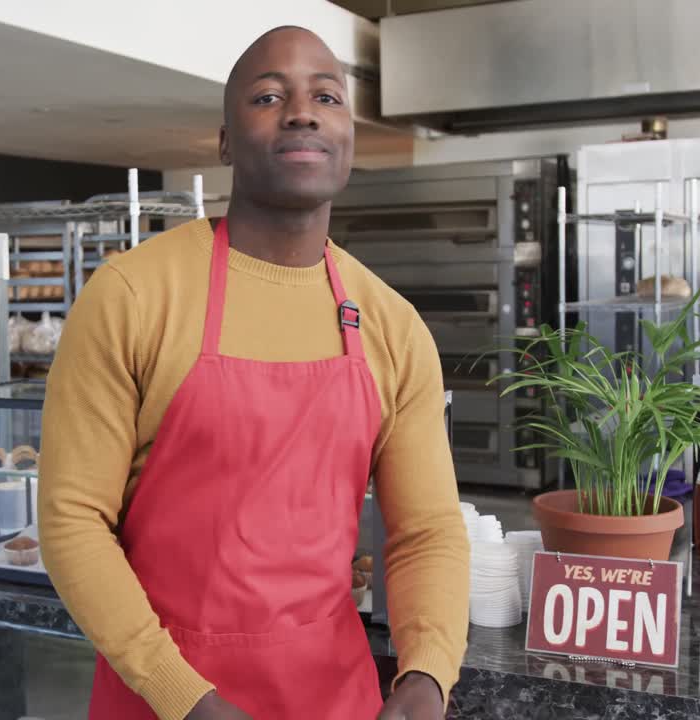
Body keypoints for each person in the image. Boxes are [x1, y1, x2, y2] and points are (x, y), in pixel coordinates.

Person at [39, 25, 469, 720]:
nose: (302, 111)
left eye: (325, 96)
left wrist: (426, 674)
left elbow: (427, 532)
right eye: (268, 96)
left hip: (333, 697)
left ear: (348, 136)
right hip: (162, 696)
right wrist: (186, 698)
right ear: (225, 141)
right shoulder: (132, 296)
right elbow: (71, 522)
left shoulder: (392, 324)